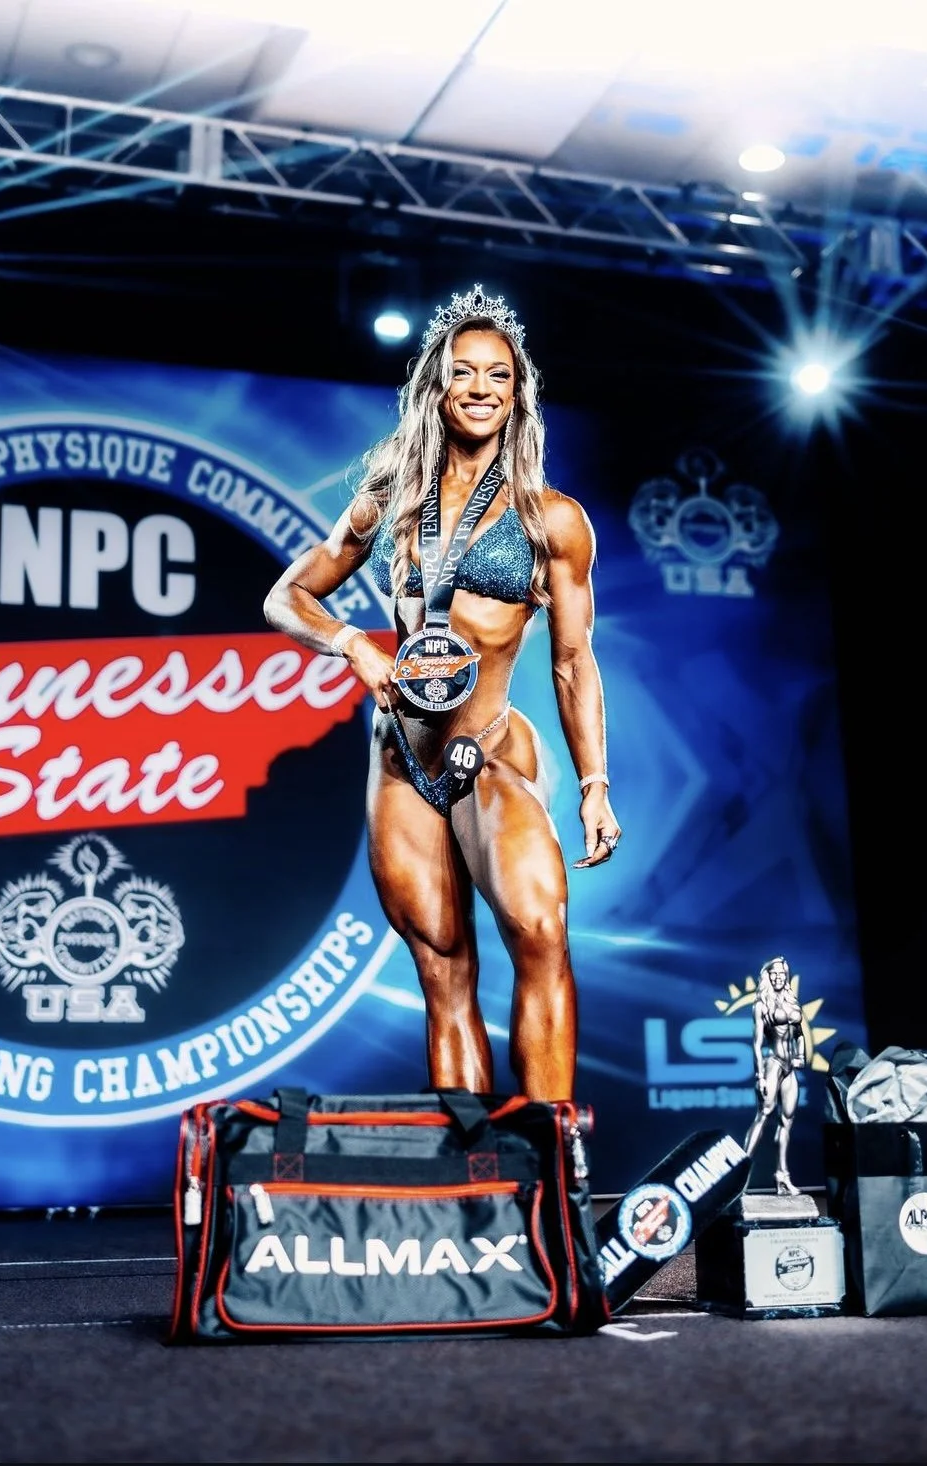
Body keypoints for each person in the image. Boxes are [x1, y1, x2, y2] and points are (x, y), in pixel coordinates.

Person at [263, 283, 620, 1103]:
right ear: (437, 385)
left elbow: (573, 662)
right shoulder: (391, 500)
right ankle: (477, 1183)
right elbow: (286, 596)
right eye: (465, 373)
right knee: (444, 969)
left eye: (499, 375)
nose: (482, 389)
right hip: (402, 760)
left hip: (488, 746)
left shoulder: (551, 520)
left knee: (539, 931)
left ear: (517, 393)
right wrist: (351, 642)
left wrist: (595, 786)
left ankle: (552, 1176)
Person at [744, 956, 808, 1196]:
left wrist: (801, 1054)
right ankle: (740, 1176)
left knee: (787, 1121)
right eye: (774, 974)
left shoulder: (792, 1001)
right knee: (763, 1115)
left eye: (782, 974)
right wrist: (759, 1076)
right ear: (767, 976)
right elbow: (757, 1043)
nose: (779, 977)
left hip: (790, 1067)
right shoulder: (762, 1005)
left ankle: (782, 1176)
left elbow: (799, 1032)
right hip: (772, 1064)